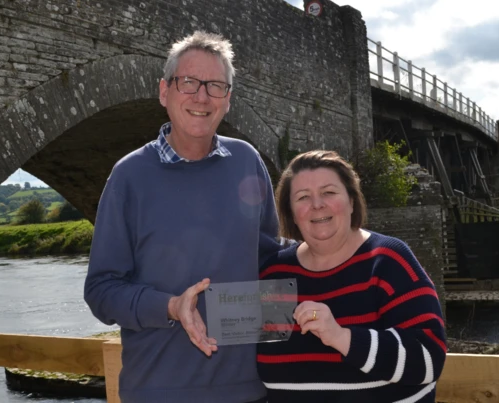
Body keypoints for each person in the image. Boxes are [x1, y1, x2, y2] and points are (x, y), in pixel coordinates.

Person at [84, 31, 280, 403]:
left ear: (228, 101)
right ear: (164, 92)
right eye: (188, 82)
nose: (201, 96)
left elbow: (271, 262)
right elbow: (100, 292)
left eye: (215, 86)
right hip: (158, 393)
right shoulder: (129, 176)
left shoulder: (247, 162)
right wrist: (171, 307)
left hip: (249, 392)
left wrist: (346, 254)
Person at [257, 150, 447, 403]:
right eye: (303, 197)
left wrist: (341, 337)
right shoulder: (275, 273)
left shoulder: (387, 260)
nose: (317, 204)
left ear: (352, 201)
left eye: (329, 192)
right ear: (291, 212)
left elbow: (429, 360)